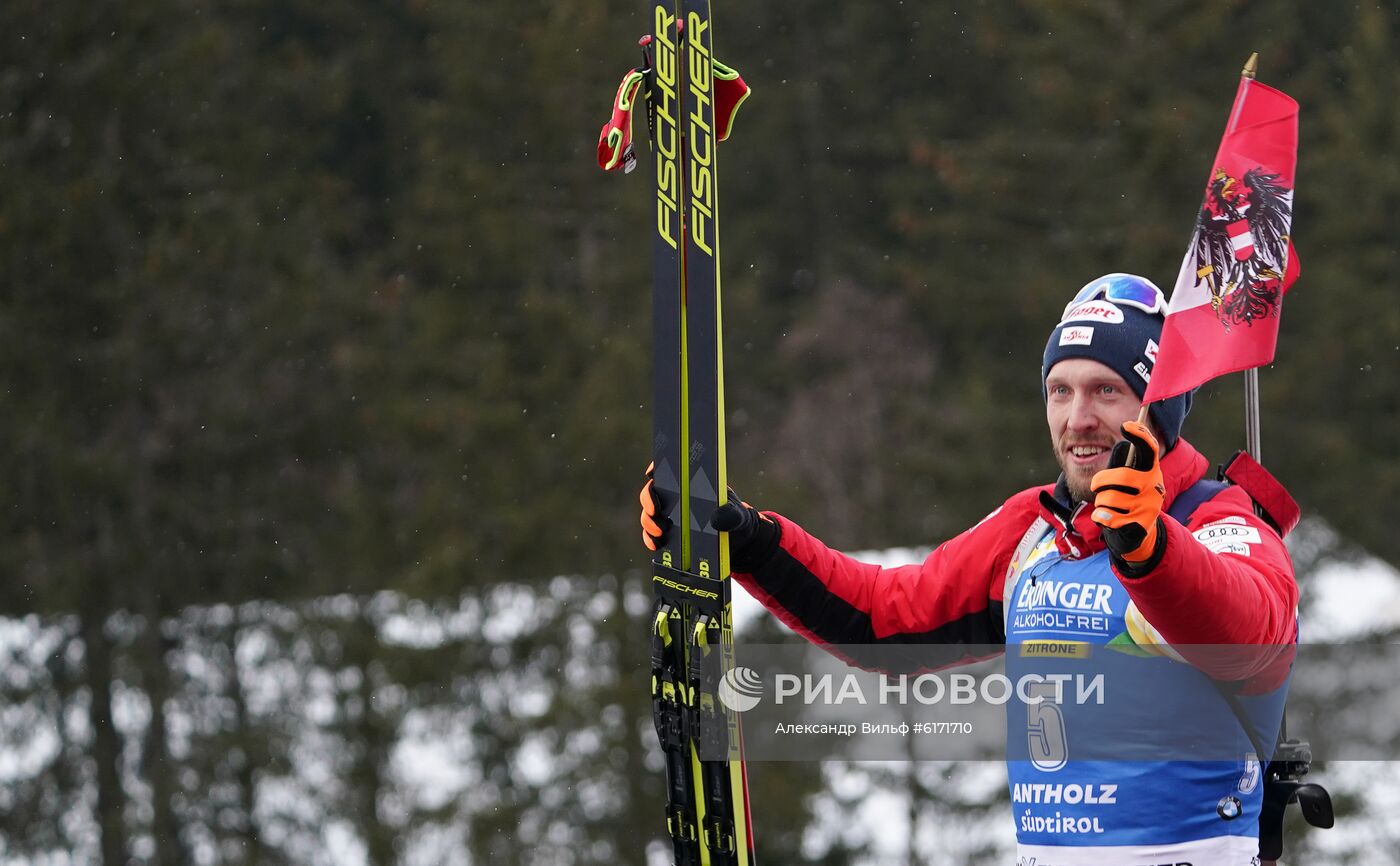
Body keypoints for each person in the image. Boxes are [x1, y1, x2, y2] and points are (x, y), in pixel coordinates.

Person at [640, 273, 1299, 866]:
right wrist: (752, 541)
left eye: (1107, 391)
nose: (1078, 420)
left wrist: (1151, 550)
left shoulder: (1217, 520)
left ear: (1159, 411)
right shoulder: (1034, 530)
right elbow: (883, 617)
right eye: (1060, 391)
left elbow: (1253, 638)